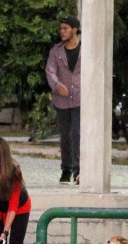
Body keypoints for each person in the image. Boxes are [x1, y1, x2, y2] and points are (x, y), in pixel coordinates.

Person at [46, 16, 81, 185]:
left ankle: (79, 170)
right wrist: (57, 85)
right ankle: (66, 170)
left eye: (65, 28)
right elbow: (50, 71)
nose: (62, 32)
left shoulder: (85, 49)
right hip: (63, 100)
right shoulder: (56, 51)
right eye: (61, 29)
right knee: (65, 136)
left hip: (81, 98)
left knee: (78, 134)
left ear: (74, 29)